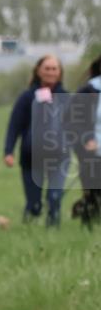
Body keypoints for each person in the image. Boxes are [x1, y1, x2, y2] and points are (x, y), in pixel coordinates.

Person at [4, 55, 70, 227]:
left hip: (59, 157)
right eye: (47, 68)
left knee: (54, 199)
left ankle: (53, 235)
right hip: (31, 157)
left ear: (60, 72)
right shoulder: (27, 97)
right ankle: (27, 229)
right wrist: (8, 151)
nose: (50, 72)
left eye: (54, 68)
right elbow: (14, 125)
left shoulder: (66, 98)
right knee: (34, 205)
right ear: (38, 71)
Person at [64, 54, 101, 228]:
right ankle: (89, 227)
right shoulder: (88, 91)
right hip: (92, 153)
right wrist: (86, 140)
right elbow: (70, 122)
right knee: (94, 194)